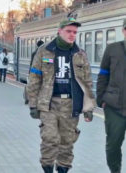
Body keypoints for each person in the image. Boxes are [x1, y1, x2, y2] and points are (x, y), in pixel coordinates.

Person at [26, 18, 95, 173]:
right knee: (50, 139)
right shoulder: (45, 50)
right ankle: (48, 168)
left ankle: (63, 170)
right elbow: (34, 78)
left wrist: (88, 107)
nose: (72, 35)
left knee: (67, 142)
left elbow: (87, 82)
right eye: (69, 31)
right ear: (60, 31)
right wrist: (32, 104)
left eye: (75, 32)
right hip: (49, 103)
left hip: (71, 105)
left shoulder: (80, 54)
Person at [97, 19, 126, 173]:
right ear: (123, 31)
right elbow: (103, 75)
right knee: (113, 145)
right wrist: (101, 99)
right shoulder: (112, 49)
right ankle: (115, 171)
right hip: (115, 107)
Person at [24, 40, 44, 104]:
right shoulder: (44, 53)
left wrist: (29, 72)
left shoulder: (34, 53)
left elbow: (31, 63)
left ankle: (27, 98)